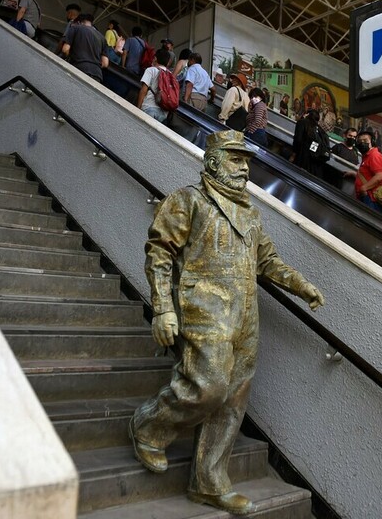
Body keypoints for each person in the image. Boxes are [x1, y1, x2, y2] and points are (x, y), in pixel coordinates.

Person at [130, 130, 324, 516]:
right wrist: (163, 308)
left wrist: (301, 286)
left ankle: (209, 481)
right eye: (236, 159)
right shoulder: (189, 200)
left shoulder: (250, 214)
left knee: (234, 400)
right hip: (203, 311)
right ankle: (149, 426)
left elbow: (267, 261)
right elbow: (160, 252)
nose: (244, 168)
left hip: (245, 318)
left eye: (246, 161)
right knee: (208, 387)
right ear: (213, 161)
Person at [61, 13, 108, 82]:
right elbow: (105, 63)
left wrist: (68, 58)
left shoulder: (75, 28)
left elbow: (65, 50)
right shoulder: (102, 38)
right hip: (97, 74)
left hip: (79, 69)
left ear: (78, 22)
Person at [354, 129, 382, 214]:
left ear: (372, 142)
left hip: (371, 199)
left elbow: (380, 176)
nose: (362, 143)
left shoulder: (374, 155)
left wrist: (364, 188)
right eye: (360, 141)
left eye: (365, 140)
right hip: (366, 196)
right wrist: (355, 175)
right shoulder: (367, 156)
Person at [291, 109, 329, 179]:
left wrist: (293, 155)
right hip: (315, 164)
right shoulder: (320, 130)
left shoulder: (302, 122)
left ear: (307, 115)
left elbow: (298, 140)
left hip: (302, 159)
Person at [137, 48, 172, 123]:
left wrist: (138, 109)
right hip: (163, 114)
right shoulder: (170, 75)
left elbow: (143, 91)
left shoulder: (151, 70)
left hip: (149, 108)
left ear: (155, 58)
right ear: (168, 62)